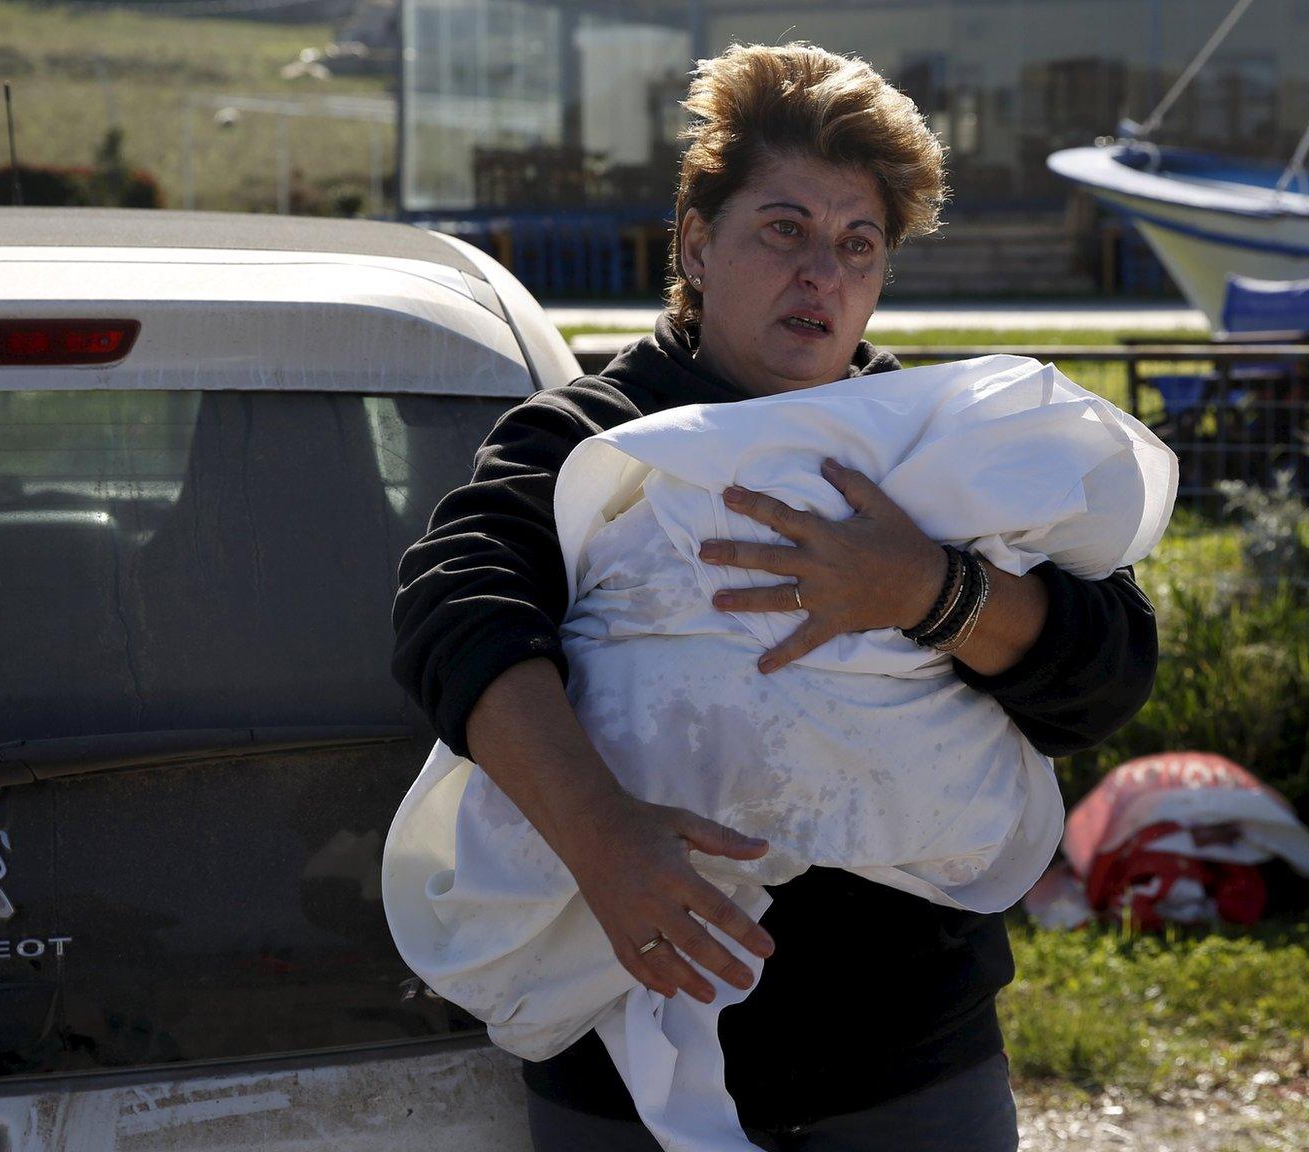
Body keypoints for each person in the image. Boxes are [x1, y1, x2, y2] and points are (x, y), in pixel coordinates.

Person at [391, 42, 1159, 1150]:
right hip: (618, 1067)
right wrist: (602, 840)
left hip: (905, 1067)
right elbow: (453, 612)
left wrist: (924, 589)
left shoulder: (935, 452)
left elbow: (1110, 672)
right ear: (697, 243)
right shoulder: (586, 438)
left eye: (857, 246)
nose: (823, 276)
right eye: (784, 231)